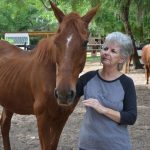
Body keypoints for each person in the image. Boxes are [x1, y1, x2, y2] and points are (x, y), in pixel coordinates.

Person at [76, 31, 137, 150]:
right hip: (87, 145)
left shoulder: (126, 83)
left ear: (121, 59)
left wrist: (103, 109)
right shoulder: (87, 78)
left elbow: (131, 117)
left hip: (116, 146)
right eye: (105, 48)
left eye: (113, 51)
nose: (106, 53)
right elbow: (65, 97)